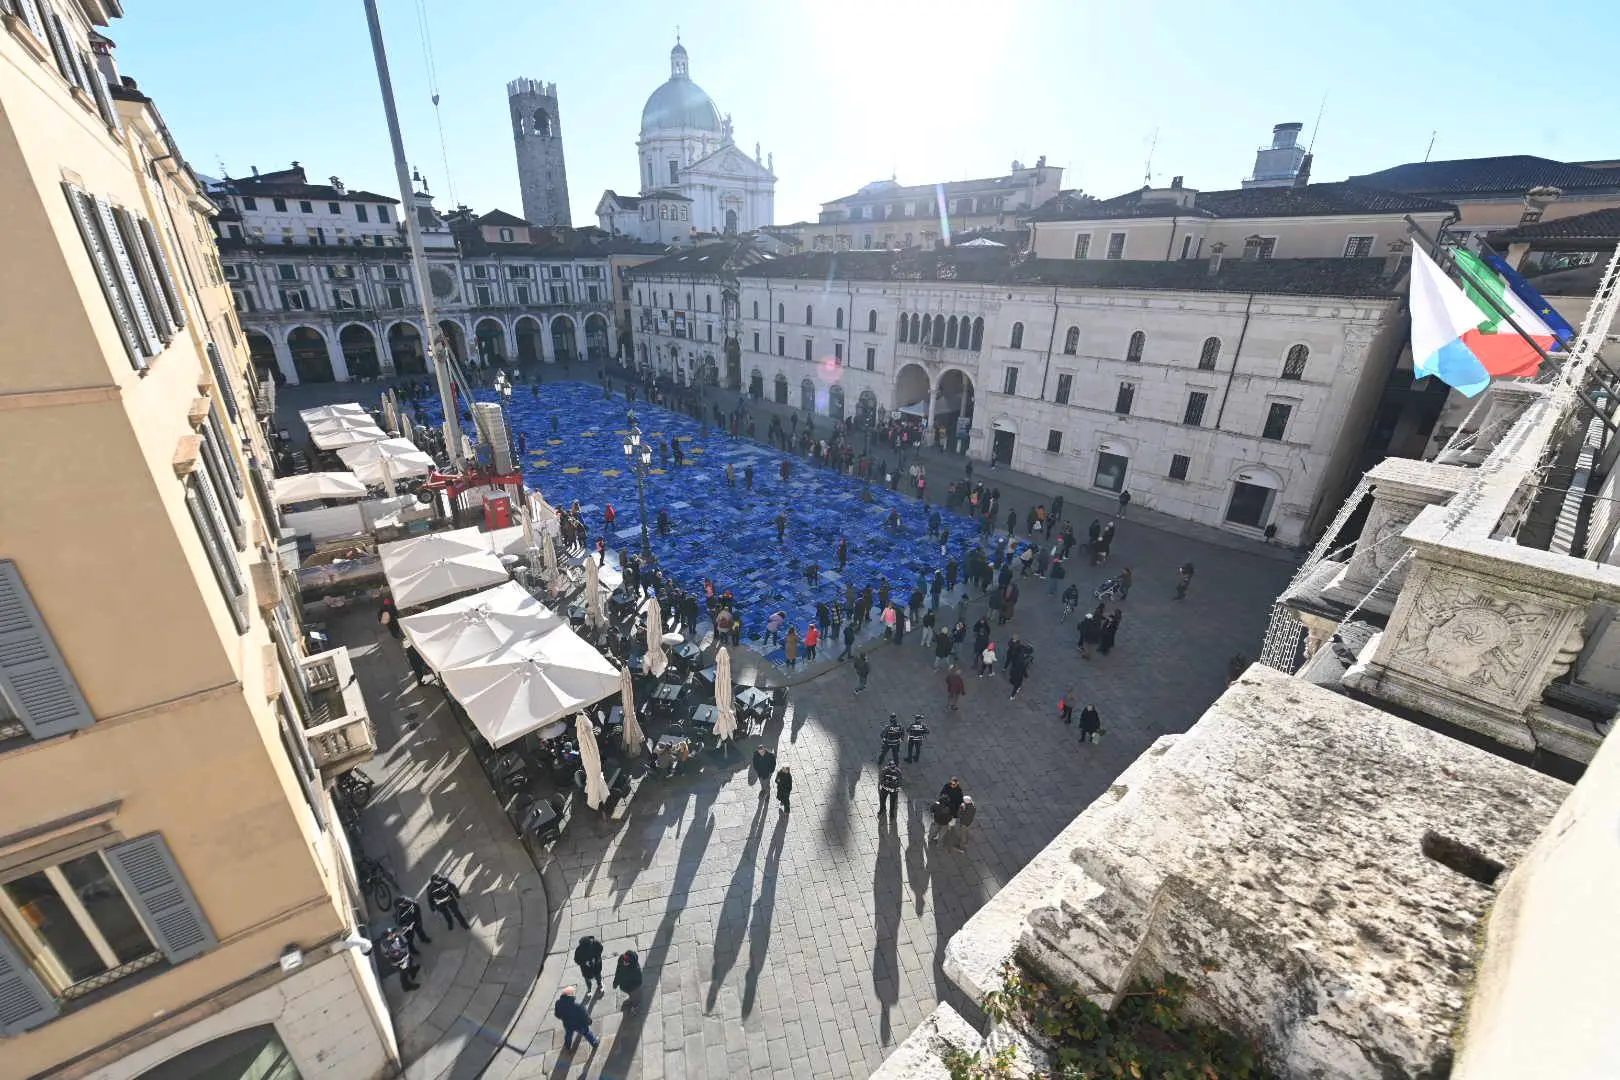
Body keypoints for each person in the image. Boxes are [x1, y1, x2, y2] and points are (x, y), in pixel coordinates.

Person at [554, 987, 599, 1052]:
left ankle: (567, 1045)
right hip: (580, 1025)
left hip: (568, 1024)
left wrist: (563, 1018)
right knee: (587, 1033)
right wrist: (589, 1021)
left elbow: (557, 1014)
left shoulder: (558, 1003)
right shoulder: (578, 1006)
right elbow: (585, 1016)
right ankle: (594, 1042)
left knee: (568, 1035)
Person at [378, 926, 420, 991]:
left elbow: (402, 940)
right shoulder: (387, 946)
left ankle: (412, 971)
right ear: (388, 937)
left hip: (405, 956)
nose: (394, 934)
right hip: (399, 962)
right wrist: (404, 953)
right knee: (404, 973)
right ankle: (406, 987)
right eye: (392, 934)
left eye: (393, 933)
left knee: (410, 962)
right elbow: (397, 954)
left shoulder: (394, 937)